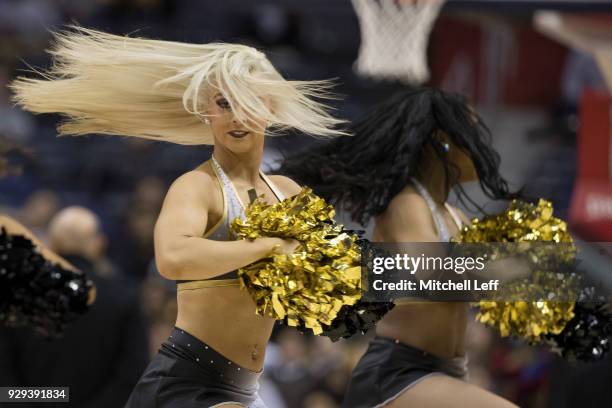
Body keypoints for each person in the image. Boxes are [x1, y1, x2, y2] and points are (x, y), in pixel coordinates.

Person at [11, 27, 346, 407]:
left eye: (249, 101)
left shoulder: (288, 191)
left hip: (243, 387)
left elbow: (326, 283)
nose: (236, 115)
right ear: (206, 112)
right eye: (224, 103)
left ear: (270, 107)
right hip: (185, 385)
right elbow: (173, 258)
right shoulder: (196, 186)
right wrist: (267, 246)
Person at [280, 87, 518, 407]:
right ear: (441, 140)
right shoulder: (407, 203)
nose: (481, 142)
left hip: (447, 371)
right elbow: (431, 271)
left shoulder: (456, 216)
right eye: (472, 130)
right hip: (400, 373)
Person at [0, 206, 148, 408]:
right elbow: (133, 376)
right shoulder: (124, 297)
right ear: (98, 244)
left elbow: (5, 378)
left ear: (50, 243)